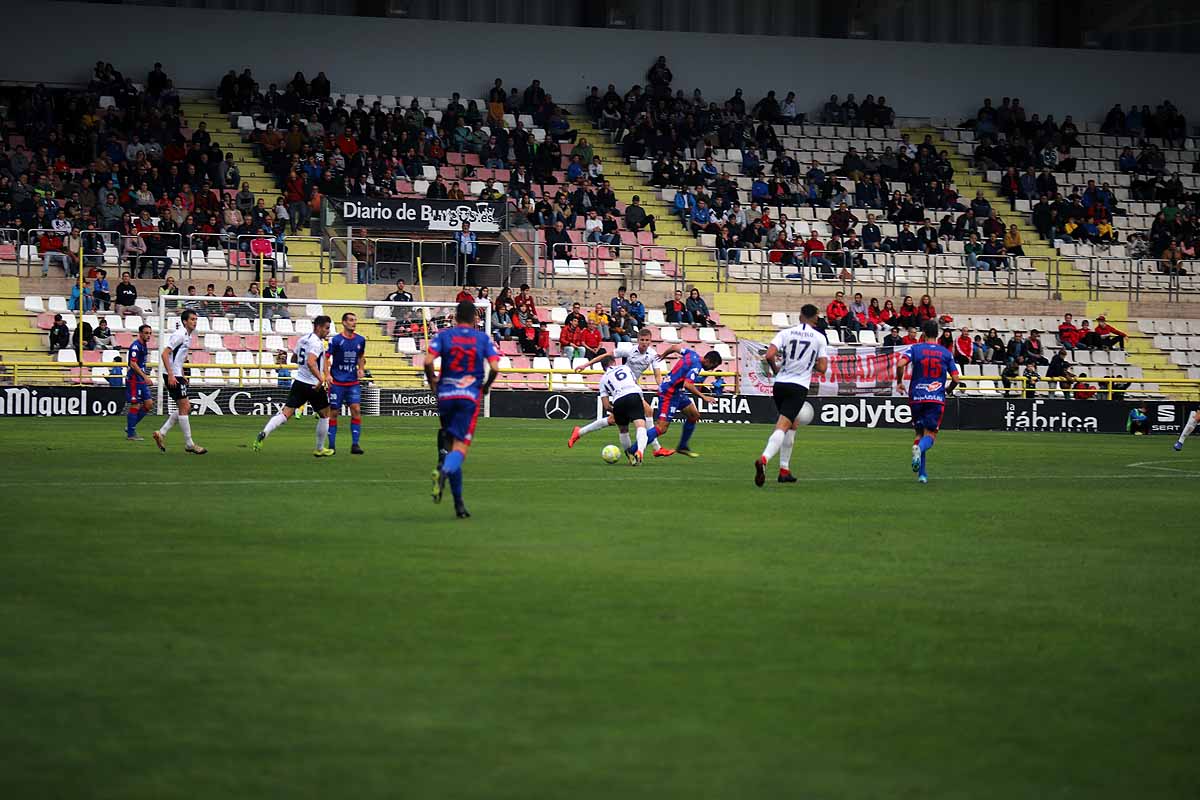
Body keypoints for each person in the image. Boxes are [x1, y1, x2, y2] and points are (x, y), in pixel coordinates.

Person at [425, 300, 503, 519]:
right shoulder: (482, 339)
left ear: (456, 317)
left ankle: (459, 505)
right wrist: (486, 386)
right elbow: (495, 367)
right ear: (475, 319)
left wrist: (433, 381)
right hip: (468, 396)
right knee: (460, 449)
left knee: (450, 445)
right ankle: (443, 470)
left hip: (445, 395)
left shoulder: (444, 335)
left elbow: (428, 359)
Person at [755, 304, 828, 487]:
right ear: (816, 318)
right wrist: (807, 363)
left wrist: (776, 370)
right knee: (783, 425)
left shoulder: (785, 333)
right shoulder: (819, 338)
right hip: (798, 386)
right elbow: (823, 368)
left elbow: (769, 355)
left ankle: (784, 470)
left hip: (780, 384)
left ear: (800, 316)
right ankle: (764, 458)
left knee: (792, 423)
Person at [253, 315, 335, 457]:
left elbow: (294, 358)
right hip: (313, 385)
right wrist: (320, 379)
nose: (328, 331)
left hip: (299, 382)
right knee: (325, 414)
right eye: (326, 328)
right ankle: (319, 448)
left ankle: (264, 432)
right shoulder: (317, 343)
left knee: (286, 413)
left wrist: (320, 371)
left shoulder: (303, 339)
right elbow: (311, 362)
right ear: (318, 327)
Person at [895, 319, 960, 484]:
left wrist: (899, 382)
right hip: (935, 398)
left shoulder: (915, 348)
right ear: (937, 334)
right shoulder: (945, 353)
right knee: (930, 435)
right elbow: (956, 379)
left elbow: (900, 364)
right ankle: (919, 452)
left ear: (923, 333)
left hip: (916, 396)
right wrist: (948, 390)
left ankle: (922, 475)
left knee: (919, 433)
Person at [152, 309, 207, 455]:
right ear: (185, 321)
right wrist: (171, 374)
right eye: (192, 319)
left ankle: (161, 432)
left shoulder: (188, 336)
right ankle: (189, 444)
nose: (195, 322)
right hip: (172, 375)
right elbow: (165, 354)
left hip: (177, 375)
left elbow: (178, 357)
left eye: (196, 319)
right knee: (184, 407)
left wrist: (182, 375)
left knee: (185, 407)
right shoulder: (179, 335)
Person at [654, 347, 723, 458]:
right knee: (661, 428)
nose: (712, 370)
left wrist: (663, 355)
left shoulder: (691, 353)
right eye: (713, 366)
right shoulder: (696, 366)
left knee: (694, 415)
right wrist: (703, 397)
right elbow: (688, 384)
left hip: (677, 392)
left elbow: (674, 347)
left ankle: (682, 446)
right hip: (669, 392)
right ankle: (635, 448)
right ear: (709, 361)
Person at [596, 355, 652, 465]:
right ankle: (640, 451)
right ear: (614, 362)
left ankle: (631, 458)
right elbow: (634, 383)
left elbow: (606, 406)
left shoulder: (603, 379)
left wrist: (615, 411)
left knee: (623, 430)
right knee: (641, 426)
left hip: (618, 401)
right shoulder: (625, 368)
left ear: (603, 368)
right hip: (633, 395)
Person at [325, 312, 367, 455]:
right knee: (334, 412)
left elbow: (361, 356)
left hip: (352, 382)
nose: (353, 323)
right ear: (343, 322)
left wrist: (361, 368)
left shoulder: (360, 340)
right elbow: (326, 357)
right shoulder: (336, 340)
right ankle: (331, 445)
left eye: (355, 320)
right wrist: (327, 374)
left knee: (356, 410)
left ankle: (355, 444)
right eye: (350, 320)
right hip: (337, 382)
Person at [124, 324, 155, 441]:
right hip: (134, 379)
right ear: (140, 333)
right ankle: (131, 434)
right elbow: (133, 364)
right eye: (146, 333)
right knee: (135, 404)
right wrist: (145, 377)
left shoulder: (144, 345)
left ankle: (130, 427)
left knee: (149, 404)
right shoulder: (135, 346)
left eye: (150, 333)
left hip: (140, 379)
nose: (148, 335)